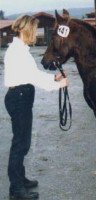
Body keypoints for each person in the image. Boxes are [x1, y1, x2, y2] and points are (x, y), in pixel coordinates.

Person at [4, 15, 68, 199]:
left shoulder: (19, 49)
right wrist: (58, 85)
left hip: (20, 96)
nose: (35, 35)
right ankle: (16, 189)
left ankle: (20, 178)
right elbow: (34, 77)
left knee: (21, 142)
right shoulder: (18, 52)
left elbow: (33, 74)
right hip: (20, 97)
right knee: (20, 144)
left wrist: (53, 78)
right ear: (26, 30)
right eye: (34, 30)